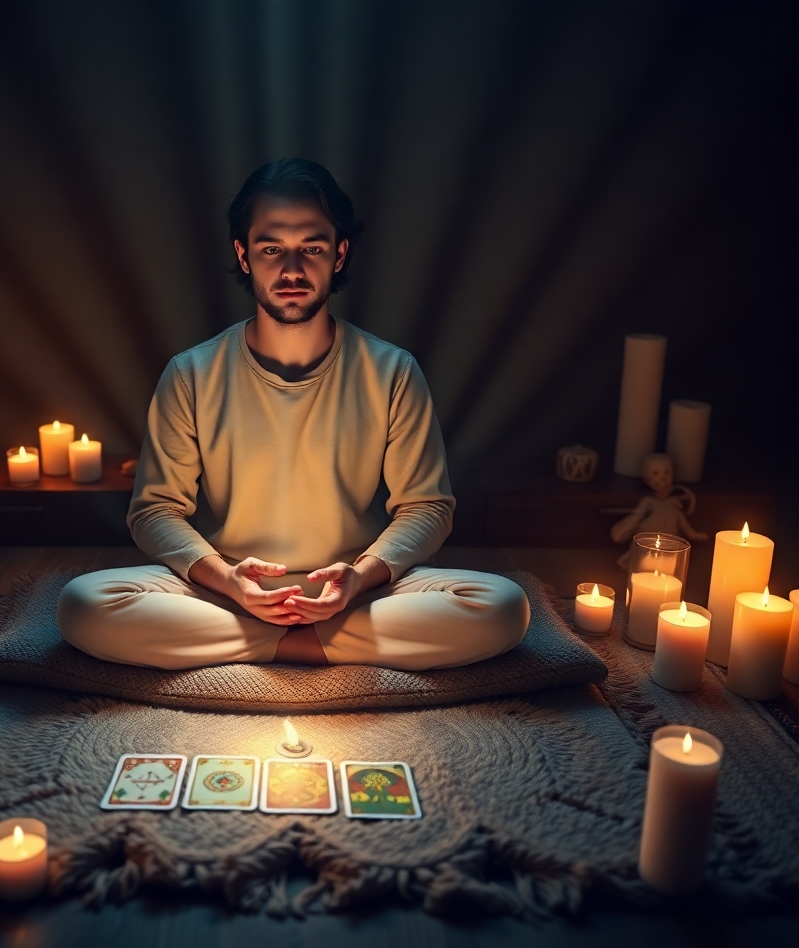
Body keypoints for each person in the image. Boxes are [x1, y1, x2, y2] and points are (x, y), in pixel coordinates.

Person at [58, 159, 529, 671]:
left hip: (358, 591)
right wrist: (228, 581)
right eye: (270, 249)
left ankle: (257, 647)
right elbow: (154, 512)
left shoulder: (392, 371)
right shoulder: (191, 373)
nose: (291, 270)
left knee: (503, 606)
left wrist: (361, 576)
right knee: (83, 603)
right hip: (226, 591)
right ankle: (315, 648)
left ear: (339, 253)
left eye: (312, 247)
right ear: (243, 255)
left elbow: (427, 507)